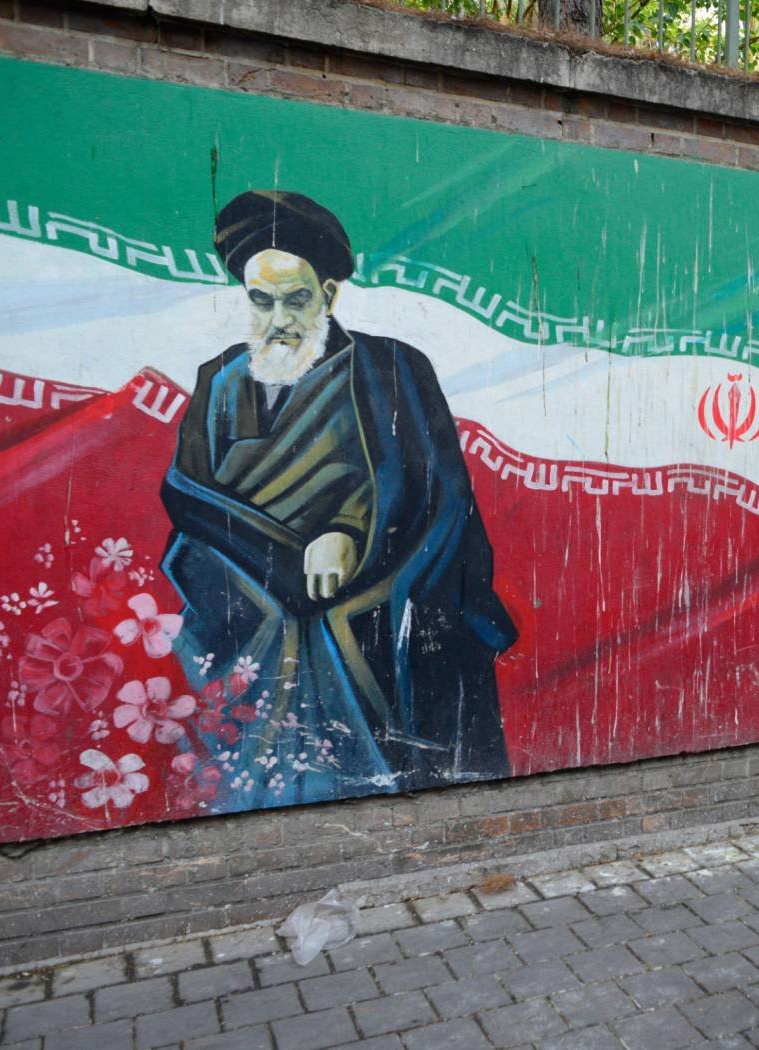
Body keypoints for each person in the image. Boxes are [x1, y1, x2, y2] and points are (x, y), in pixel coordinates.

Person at [160, 190, 517, 807]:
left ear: (328, 293)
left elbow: (438, 494)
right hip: (250, 605)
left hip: (371, 600)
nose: (279, 319)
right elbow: (189, 496)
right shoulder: (219, 380)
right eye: (261, 301)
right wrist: (277, 563)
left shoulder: (395, 370)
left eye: (296, 299)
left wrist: (351, 532)